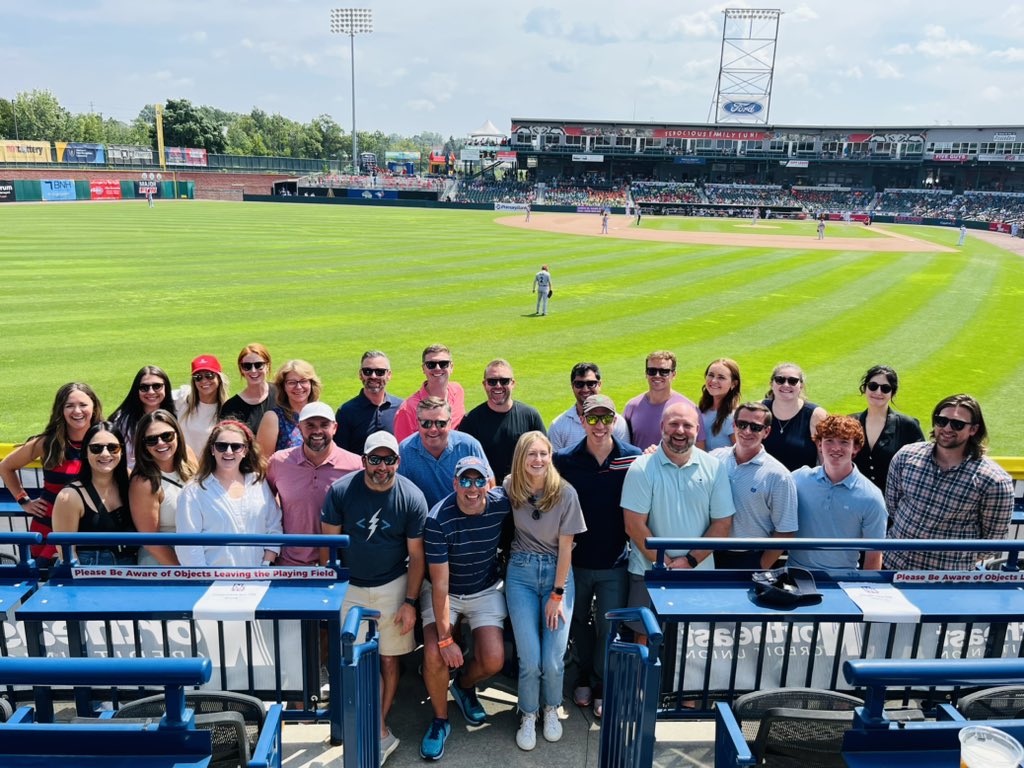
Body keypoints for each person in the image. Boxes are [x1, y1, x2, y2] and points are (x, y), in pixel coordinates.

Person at [321, 431, 428, 766]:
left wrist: (410, 603)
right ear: (364, 459)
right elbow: (330, 549)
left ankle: (378, 726)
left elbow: (417, 556)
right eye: (375, 459)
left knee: (388, 659)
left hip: (392, 583)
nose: (382, 466)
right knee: (350, 659)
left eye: (389, 459)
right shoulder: (340, 491)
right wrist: (334, 591)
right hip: (351, 584)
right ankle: (356, 722)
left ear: (398, 460)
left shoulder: (411, 496)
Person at [553, 394, 640, 718]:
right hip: (575, 561)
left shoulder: (631, 458)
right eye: (593, 418)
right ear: (583, 420)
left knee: (608, 627)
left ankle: (602, 683)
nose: (600, 425)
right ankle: (584, 676)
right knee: (578, 623)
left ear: (615, 421)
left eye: (606, 418)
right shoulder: (564, 459)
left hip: (614, 561)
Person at [418, 456, 511, 761]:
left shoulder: (500, 502)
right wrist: (446, 639)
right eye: (466, 481)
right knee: (434, 652)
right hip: (446, 591)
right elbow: (441, 586)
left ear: (489, 482)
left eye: (479, 480)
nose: (473, 488)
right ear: (455, 483)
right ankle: (440, 720)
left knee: (494, 659)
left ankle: (463, 684)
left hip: (484, 588)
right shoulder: (438, 519)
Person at [622, 402, 734, 637]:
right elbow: (634, 525)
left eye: (687, 425)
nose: (680, 431)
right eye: (674, 424)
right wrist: (666, 565)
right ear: (662, 426)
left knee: (693, 645)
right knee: (646, 638)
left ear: (697, 429)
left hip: (698, 574)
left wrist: (690, 561)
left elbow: (722, 523)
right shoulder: (641, 468)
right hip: (648, 573)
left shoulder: (714, 467)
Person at [504, 431, 586, 751]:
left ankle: (551, 708)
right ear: (521, 458)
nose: (538, 460)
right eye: (531, 454)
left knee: (552, 659)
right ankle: (528, 712)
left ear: (551, 456)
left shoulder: (565, 493)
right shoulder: (512, 486)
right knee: (530, 658)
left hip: (557, 575)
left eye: (543, 453)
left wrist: (557, 595)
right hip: (521, 574)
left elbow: (567, 549)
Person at [885, 395, 1014, 571]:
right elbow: (893, 507)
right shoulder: (905, 456)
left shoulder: (994, 481)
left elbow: (993, 542)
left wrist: (952, 559)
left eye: (957, 424)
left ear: (974, 429)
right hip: (893, 566)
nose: (947, 428)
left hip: (947, 580)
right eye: (941, 421)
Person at [0, 382, 103, 567]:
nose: (77, 411)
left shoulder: (105, 440)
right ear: (60, 410)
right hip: (48, 528)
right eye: (69, 406)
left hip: (89, 531)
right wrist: (23, 500)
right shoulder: (47, 442)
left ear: (94, 406)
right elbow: (5, 466)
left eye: (83, 405)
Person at [175, 420, 282, 567]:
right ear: (212, 449)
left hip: (258, 580)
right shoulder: (193, 491)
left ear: (245, 451)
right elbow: (188, 547)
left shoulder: (258, 482)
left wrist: (265, 565)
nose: (229, 451)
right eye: (221, 446)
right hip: (212, 583)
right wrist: (204, 579)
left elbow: (274, 526)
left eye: (236, 446)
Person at [786, 415, 887, 571]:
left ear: (856, 448)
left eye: (844, 442)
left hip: (843, 580)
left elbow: (874, 554)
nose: (836, 448)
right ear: (819, 444)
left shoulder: (871, 497)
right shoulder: (798, 479)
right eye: (829, 441)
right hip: (795, 575)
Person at [266, 402, 361, 566]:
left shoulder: (356, 465)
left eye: (324, 425)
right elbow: (265, 506)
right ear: (299, 428)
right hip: (290, 563)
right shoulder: (279, 462)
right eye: (310, 425)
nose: (317, 431)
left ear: (335, 428)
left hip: (337, 563)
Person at [710, 402, 798, 569]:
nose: (747, 431)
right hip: (709, 553)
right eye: (742, 424)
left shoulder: (779, 476)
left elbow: (786, 530)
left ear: (767, 432)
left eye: (755, 427)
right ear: (734, 425)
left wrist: (760, 565)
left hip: (750, 558)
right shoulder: (714, 458)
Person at [51, 421, 135, 565]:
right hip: (89, 572)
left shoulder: (130, 480)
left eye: (113, 448)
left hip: (132, 567)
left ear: (121, 451)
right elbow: (66, 553)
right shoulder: (69, 497)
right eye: (96, 448)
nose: (105, 454)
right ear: (85, 452)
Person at [458, 359, 546, 483]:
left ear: (513, 383)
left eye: (504, 381)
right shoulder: (471, 420)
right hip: (487, 494)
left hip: (525, 493)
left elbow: (545, 457)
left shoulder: (530, 416)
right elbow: (464, 463)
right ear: (485, 384)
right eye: (492, 381)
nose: (498, 386)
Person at [128, 409, 197, 566]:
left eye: (167, 436)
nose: (161, 443)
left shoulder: (189, 459)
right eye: (151, 440)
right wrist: (184, 572)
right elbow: (151, 542)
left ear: (177, 435)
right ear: (143, 445)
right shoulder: (143, 483)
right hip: (163, 563)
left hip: (195, 554)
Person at [398, 397, 488, 509]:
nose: (433, 429)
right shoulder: (405, 450)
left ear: (450, 423)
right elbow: (400, 493)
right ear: (417, 423)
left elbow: (488, 483)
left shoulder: (469, 445)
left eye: (441, 424)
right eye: (426, 423)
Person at [849, 365, 924, 496]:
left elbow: (921, 467)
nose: (878, 392)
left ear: (892, 393)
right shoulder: (850, 422)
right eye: (873, 386)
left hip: (892, 503)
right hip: (855, 500)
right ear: (865, 388)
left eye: (885, 388)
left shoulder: (908, 425)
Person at [623, 351, 706, 450]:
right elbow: (624, 444)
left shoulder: (689, 408)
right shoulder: (632, 406)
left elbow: (699, 447)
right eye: (652, 371)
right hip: (640, 464)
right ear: (646, 374)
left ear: (673, 375)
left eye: (664, 372)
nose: (657, 375)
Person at [761, 363, 828, 472]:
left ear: (801, 385)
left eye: (793, 381)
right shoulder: (759, 410)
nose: (786, 385)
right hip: (763, 484)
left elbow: (825, 459)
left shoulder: (816, 415)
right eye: (780, 380)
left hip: (801, 486)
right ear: (771, 383)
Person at [548, 362, 630, 451]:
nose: (585, 389)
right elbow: (553, 463)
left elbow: (624, 457)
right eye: (579, 384)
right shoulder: (558, 425)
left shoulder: (618, 422)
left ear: (599, 384)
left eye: (591, 384)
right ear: (572, 386)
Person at [393, 344, 466, 443]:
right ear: (423, 368)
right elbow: (403, 449)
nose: (437, 368)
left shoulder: (458, 391)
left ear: (451, 367)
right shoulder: (407, 409)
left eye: (443, 364)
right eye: (431, 364)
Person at [334, 350, 403, 455]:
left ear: (389, 375)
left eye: (380, 372)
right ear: (361, 375)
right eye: (367, 371)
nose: (373, 376)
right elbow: (341, 454)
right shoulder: (346, 412)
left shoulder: (401, 408)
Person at [110, 365, 176, 468]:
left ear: (166, 387)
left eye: (157, 386)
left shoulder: (177, 411)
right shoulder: (123, 421)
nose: (151, 392)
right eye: (144, 387)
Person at [256, 359, 321, 457]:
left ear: (311, 384)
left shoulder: (322, 413)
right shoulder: (273, 418)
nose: (298, 387)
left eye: (303, 381)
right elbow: (263, 462)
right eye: (292, 382)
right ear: (283, 387)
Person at [174, 355, 228, 456]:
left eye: (209, 375)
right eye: (198, 377)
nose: (203, 381)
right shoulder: (183, 398)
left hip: (210, 469)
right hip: (182, 467)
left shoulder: (227, 409)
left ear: (219, 378)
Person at [220, 343, 276, 435]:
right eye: (247, 366)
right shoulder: (231, 407)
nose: (253, 370)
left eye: (258, 365)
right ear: (241, 369)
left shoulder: (282, 393)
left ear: (268, 366)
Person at [698, 358, 741, 450]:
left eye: (721, 377)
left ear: (734, 384)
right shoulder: (703, 409)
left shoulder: (733, 417)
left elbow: (742, 454)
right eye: (711, 375)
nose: (713, 381)